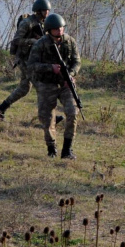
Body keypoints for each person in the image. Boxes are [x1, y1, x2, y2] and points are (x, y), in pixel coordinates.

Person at [26, 13, 81, 158]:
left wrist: (71, 74)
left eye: (61, 28)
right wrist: (50, 68)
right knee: (47, 117)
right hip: (46, 84)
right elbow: (31, 65)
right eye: (56, 29)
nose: (60, 31)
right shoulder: (40, 44)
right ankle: (51, 148)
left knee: (73, 112)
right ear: (49, 30)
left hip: (65, 83)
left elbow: (77, 62)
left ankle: (67, 150)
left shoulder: (70, 42)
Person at [0, 0, 52, 120]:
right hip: (24, 59)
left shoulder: (44, 23)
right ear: (38, 11)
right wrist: (33, 41)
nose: (47, 13)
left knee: (24, 88)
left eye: (48, 10)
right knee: (41, 86)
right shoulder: (27, 23)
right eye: (45, 10)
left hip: (34, 59)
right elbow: (17, 40)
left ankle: (0, 109)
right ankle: (49, 117)